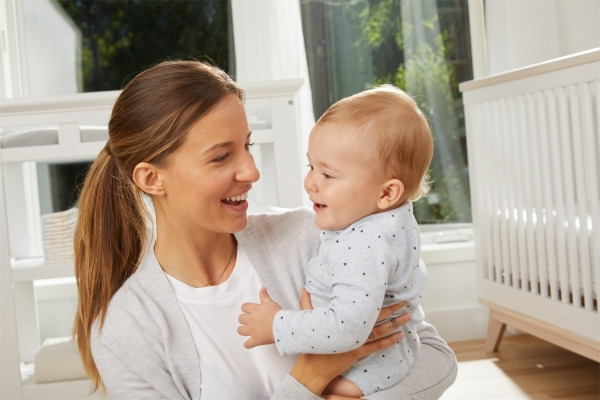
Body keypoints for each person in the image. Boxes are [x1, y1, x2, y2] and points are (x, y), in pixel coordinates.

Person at [72, 59, 457, 399]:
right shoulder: (127, 331)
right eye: (222, 156)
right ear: (152, 179)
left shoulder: (313, 238)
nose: (252, 172)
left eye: (247, 146)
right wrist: (310, 378)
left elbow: (432, 353)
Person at [238, 85, 433, 398]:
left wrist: (277, 324)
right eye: (311, 166)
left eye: (328, 175)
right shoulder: (391, 220)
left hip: (366, 371)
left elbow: (347, 327)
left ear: (386, 193)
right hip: (396, 356)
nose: (310, 182)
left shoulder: (365, 242)